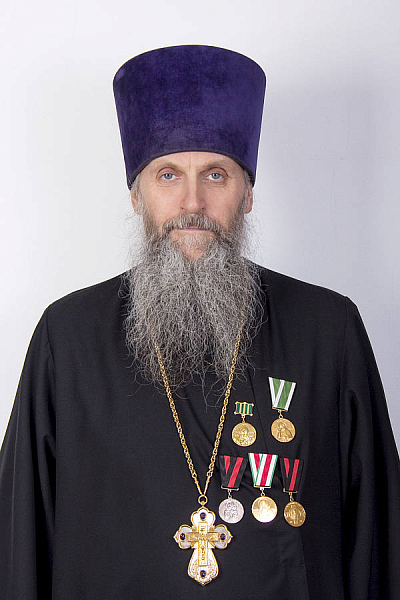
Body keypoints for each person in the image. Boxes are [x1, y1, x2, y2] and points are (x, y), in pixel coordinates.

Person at [0, 45, 399, 600]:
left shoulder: (328, 331)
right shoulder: (66, 339)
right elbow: (19, 547)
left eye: (216, 174)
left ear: (248, 193)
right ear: (137, 196)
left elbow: (377, 544)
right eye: (168, 175)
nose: (193, 202)